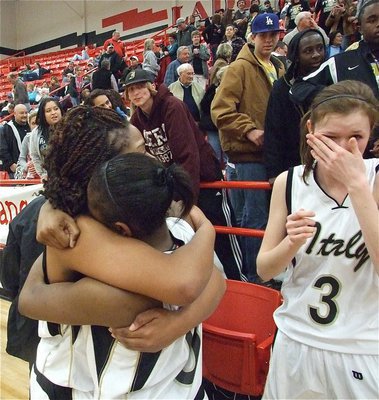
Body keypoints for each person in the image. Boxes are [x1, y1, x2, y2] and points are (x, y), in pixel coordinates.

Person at [1, 106, 219, 373]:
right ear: (109, 170)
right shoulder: (78, 233)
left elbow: (215, 279)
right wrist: (207, 229)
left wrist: (180, 322)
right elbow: (182, 284)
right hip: (69, 383)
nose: (153, 159)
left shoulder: (150, 212)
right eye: (141, 151)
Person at [19, 150, 225, 399]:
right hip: (183, 388)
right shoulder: (185, 232)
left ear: (120, 229)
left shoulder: (82, 244)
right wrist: (206, 227)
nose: (147, 155)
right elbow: (216, 280)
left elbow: (28, 299)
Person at [257, 80, 379, 399]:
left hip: (362, 347)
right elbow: (264, 270)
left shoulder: (375, 179)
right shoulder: (289, 182)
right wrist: (290, 244)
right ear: (310, 129)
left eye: (356, 138)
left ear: (371, 134)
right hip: (297, 339)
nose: (341, 149)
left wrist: (358, 188)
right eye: (330, 138)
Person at [125, 68, 246, 281]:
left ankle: (242, 281)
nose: (137, 93)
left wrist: (187, 199)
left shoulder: (172, 106)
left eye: (141, 86)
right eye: (131, 89)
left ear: (151, 86)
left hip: (205, 180)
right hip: (176, 188)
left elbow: (188, 156)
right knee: (195, 241)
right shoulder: (136, 120)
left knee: (223, 235)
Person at [211, 13, 285, 283]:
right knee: (255, 219)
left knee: (272, 218)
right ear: (253, 37)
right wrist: (250, 129)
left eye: (273, 34)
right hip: (248, 157)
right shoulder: (238, 69)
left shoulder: (278, 66)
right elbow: (219, 110)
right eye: (263, 35)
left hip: (273, 155)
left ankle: (268, 271)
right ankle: (255, 277)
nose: (269, 39)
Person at [264, 29, 326, 183]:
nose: (316, 54)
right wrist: (274, 173)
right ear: (296, 56)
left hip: (328, 162)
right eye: (308, 51)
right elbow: (273, 131)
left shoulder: (333, 80)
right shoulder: (282, 87)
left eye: (320, 48)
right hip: (292, 165)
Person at [29, 97, 63, 179]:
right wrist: (42, 174)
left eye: (56, 109)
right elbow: (35, 156)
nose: (53, 113)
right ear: (43, 115)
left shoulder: (71, 128)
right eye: (48, 111)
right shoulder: (36, 133)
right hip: (50, 178)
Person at [0, 104, 30, 178]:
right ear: (15, 114)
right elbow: (3, 149)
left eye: (26, 113)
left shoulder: (30, 126)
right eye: (22, 113)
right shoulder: (7, 129)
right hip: (15, 170)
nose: (24, 115)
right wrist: (10, 164)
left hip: (31, 169)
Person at [15, 109, 40, 179]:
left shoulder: (51, 137)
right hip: (31, 176)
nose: (36, 126)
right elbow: (21, 159)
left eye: (38, 123)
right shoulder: (27, 138)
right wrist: (27, 166)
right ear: (29, 125)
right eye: (33, 123)